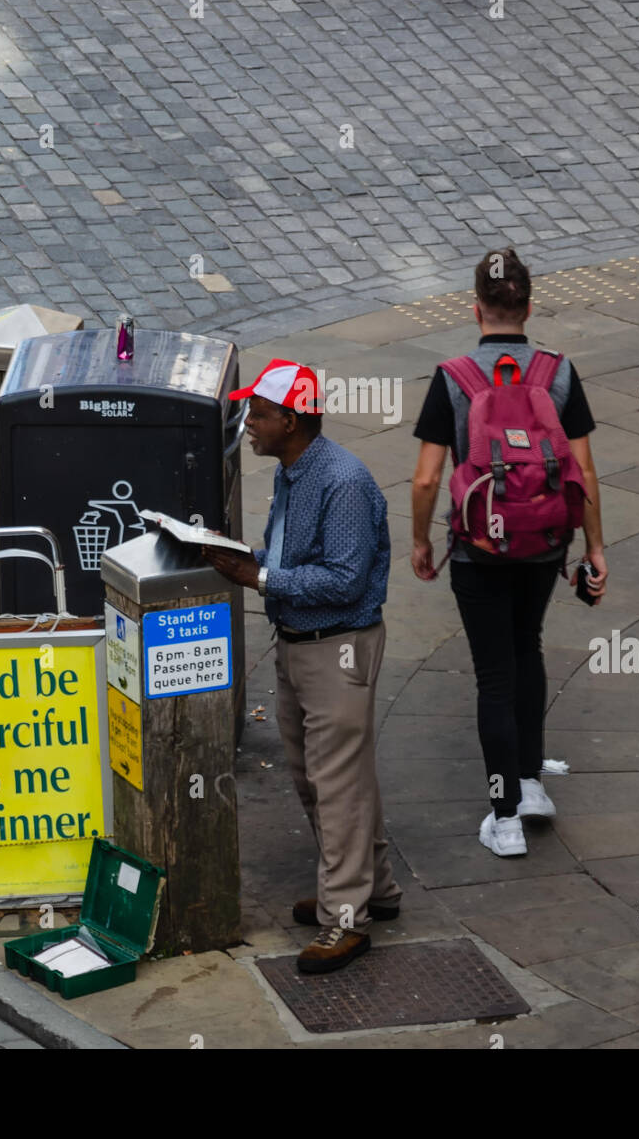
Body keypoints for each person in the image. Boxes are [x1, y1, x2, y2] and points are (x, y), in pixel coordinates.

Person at [203, 358, 399, 975]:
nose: (248, 425)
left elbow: (344, 578)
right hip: (301, 641)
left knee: (335, 784)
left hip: (336, 646)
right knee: (318, 777)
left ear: (291, 420)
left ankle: (346, 918)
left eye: (257, 414)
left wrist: (257, 576)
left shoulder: (341, 481)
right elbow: (296, 555)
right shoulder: (294, 470)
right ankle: (372, 887)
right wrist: (245, 556)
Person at [410, 249, 607, 858]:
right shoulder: (558, 372)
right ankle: (529, 785)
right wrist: (595, 548)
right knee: (528, 649)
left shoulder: (454, 377)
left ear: (476, 308)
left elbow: (424, 478)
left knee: (493, 675)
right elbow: (585, 469)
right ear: (527, 304)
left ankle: (504, 817)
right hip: (546, 543)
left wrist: (419, 540)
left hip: (479, 548)